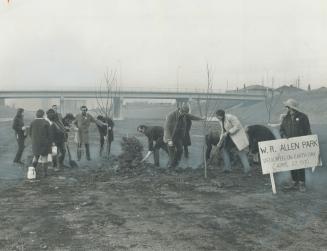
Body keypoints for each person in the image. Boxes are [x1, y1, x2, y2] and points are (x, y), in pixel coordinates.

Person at [280, 98, 311, 192]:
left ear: (292, 108)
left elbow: (307, 130)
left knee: (300, 163)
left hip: (300, 144)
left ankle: (302, 183)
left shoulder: (303, 117)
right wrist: (283, 136)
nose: (287, 109)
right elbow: (281, 129)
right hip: (289, 145)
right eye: (287, 107)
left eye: (288, 107)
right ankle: (294, 181)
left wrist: (307, 142)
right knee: (291, 163)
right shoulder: (285, 118)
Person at [164, 104, 202, 168]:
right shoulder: (171, 115)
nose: (185, 115)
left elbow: (191, 116)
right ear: (180, 110)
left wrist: (201, 118)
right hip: (171, 136)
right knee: (172, 153)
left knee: (180, 150)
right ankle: (170, 167)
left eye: (185, 114)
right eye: (184, 113)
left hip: (178, 137)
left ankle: (175, 164)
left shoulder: (184, 114)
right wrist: (169, 140)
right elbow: (167, 128)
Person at [215, 109, 251, 174]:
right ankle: (227, 168)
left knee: (241, 152)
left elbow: (237, 126)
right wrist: (219, 142)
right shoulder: (220, 121)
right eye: (216, 116)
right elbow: (223, 131)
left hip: (237, 137)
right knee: (225, 150)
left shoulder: (231, 117)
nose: (217, 117)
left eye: (218, 116)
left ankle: (247, 169)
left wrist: (228, 132)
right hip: (230, 138)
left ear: (221, 115)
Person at [29, 109, 51, 178]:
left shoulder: (32, 122)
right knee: (45, 158)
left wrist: (34, 139)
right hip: (44, 143)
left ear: (36, 114)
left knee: (36, 157)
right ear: (43, 115)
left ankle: (33, 170)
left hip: (35, 143)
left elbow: (30, 133)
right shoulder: (46, 122)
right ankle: (45, 173)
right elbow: (49, 134)